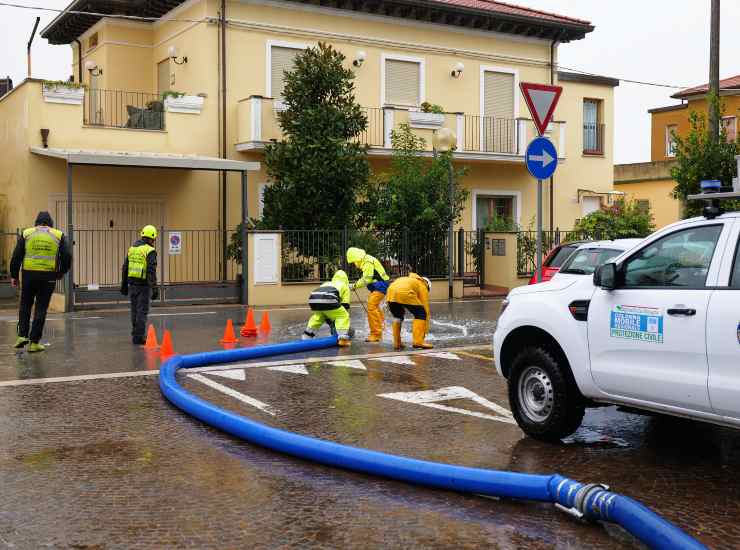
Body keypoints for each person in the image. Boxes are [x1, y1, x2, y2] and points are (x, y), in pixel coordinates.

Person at [10, 212, 72, 352]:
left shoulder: (27, 233)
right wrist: (61, 272)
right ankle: (34, 343)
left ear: (36, 222)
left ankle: (22, 336)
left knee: (25, 304)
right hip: (48, 277)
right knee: (41, 307)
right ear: (50, 223)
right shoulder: (58, 235)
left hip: (28, 275)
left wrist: (14, 276)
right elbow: (67, 256)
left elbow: (16, 256)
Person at [121, 225, 159, 345]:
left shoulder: (132, 248)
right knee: (142, 311)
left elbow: (125, 267)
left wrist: (123, 285)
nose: (153, 242)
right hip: (143, 285)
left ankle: (135, 333)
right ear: (151, 238)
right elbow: (151, 271)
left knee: (134, 310)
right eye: (154, 240)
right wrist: (155, 288)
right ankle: (139, 337)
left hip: (132, 283)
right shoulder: (150, 251)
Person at [346, 247, 390, 343]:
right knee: (375, 307)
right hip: (380, 285)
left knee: (371, 305)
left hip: (380, 286)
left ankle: (376, 334)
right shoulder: (368, 259)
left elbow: (367, 279)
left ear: (357, 258)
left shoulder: (367, 262)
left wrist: (354, 285)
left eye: (354, 262)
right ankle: (382, 328)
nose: (354, 264)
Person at [302, 269, 352, 347]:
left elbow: (327, 308)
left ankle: (307, 336)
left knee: (319, 317)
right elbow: (345, 305)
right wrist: (337, 322)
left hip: (313, 299)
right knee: (343, 316)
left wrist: (329, 317)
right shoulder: (345, 286)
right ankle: (343, 338)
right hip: (329, 298)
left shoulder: (327, 283)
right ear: (346, 279)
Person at [387, 273, 433, 350]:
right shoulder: (422, 284)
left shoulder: (408, 279)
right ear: (427, 284)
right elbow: (425, 309)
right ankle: (418, 342)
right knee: (421, 313)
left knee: (398, 316)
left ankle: (397, 343)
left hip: (390, 293)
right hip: (404, 292)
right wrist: (424, 333)